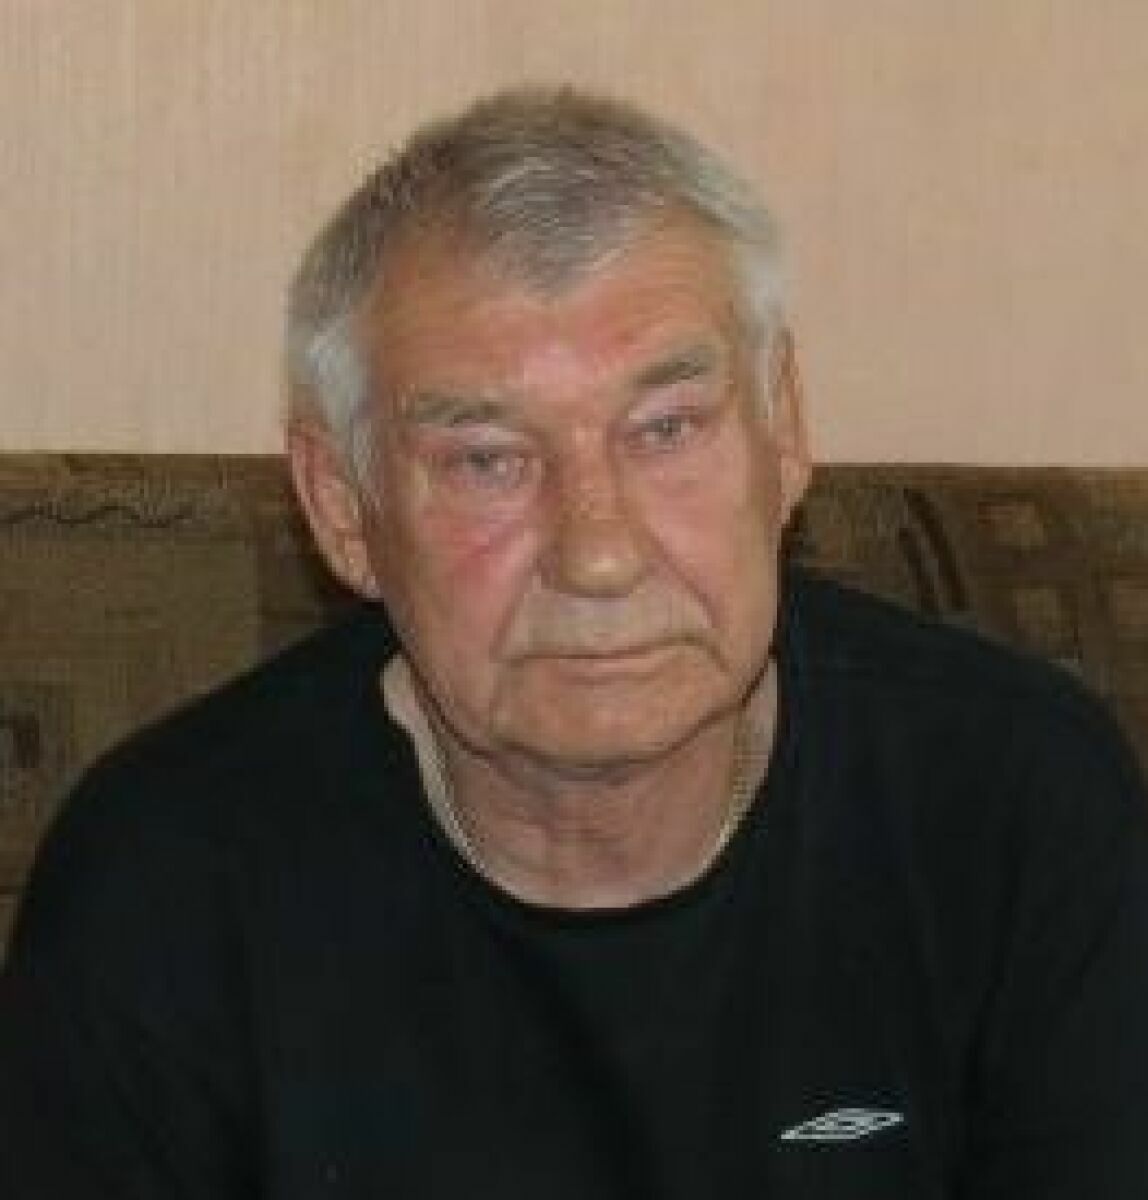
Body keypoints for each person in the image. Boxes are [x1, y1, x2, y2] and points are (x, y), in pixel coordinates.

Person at [2, 86, 1146, 1199]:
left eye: (665, 429)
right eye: (487, 460)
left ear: (784, 431)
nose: (598, 554)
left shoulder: (1018, 804)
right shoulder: (163, 885)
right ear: (342, 508)